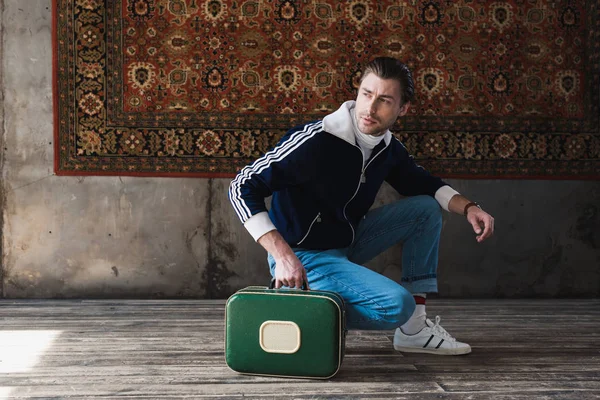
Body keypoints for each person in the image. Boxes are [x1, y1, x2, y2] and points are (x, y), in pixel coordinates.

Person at [229, 57, 495, 355]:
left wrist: (471, 207)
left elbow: (425, 183)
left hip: (348, 240)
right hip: (304, 255)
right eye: (366, 94)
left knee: (425, 209)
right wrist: (283, 256)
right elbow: (241, 186)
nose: (370, 108)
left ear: (402, 109)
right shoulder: (316, 141)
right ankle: (299, 311)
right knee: (397, 306)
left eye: (384, 100)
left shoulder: (387, 149)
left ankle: (414, 331)